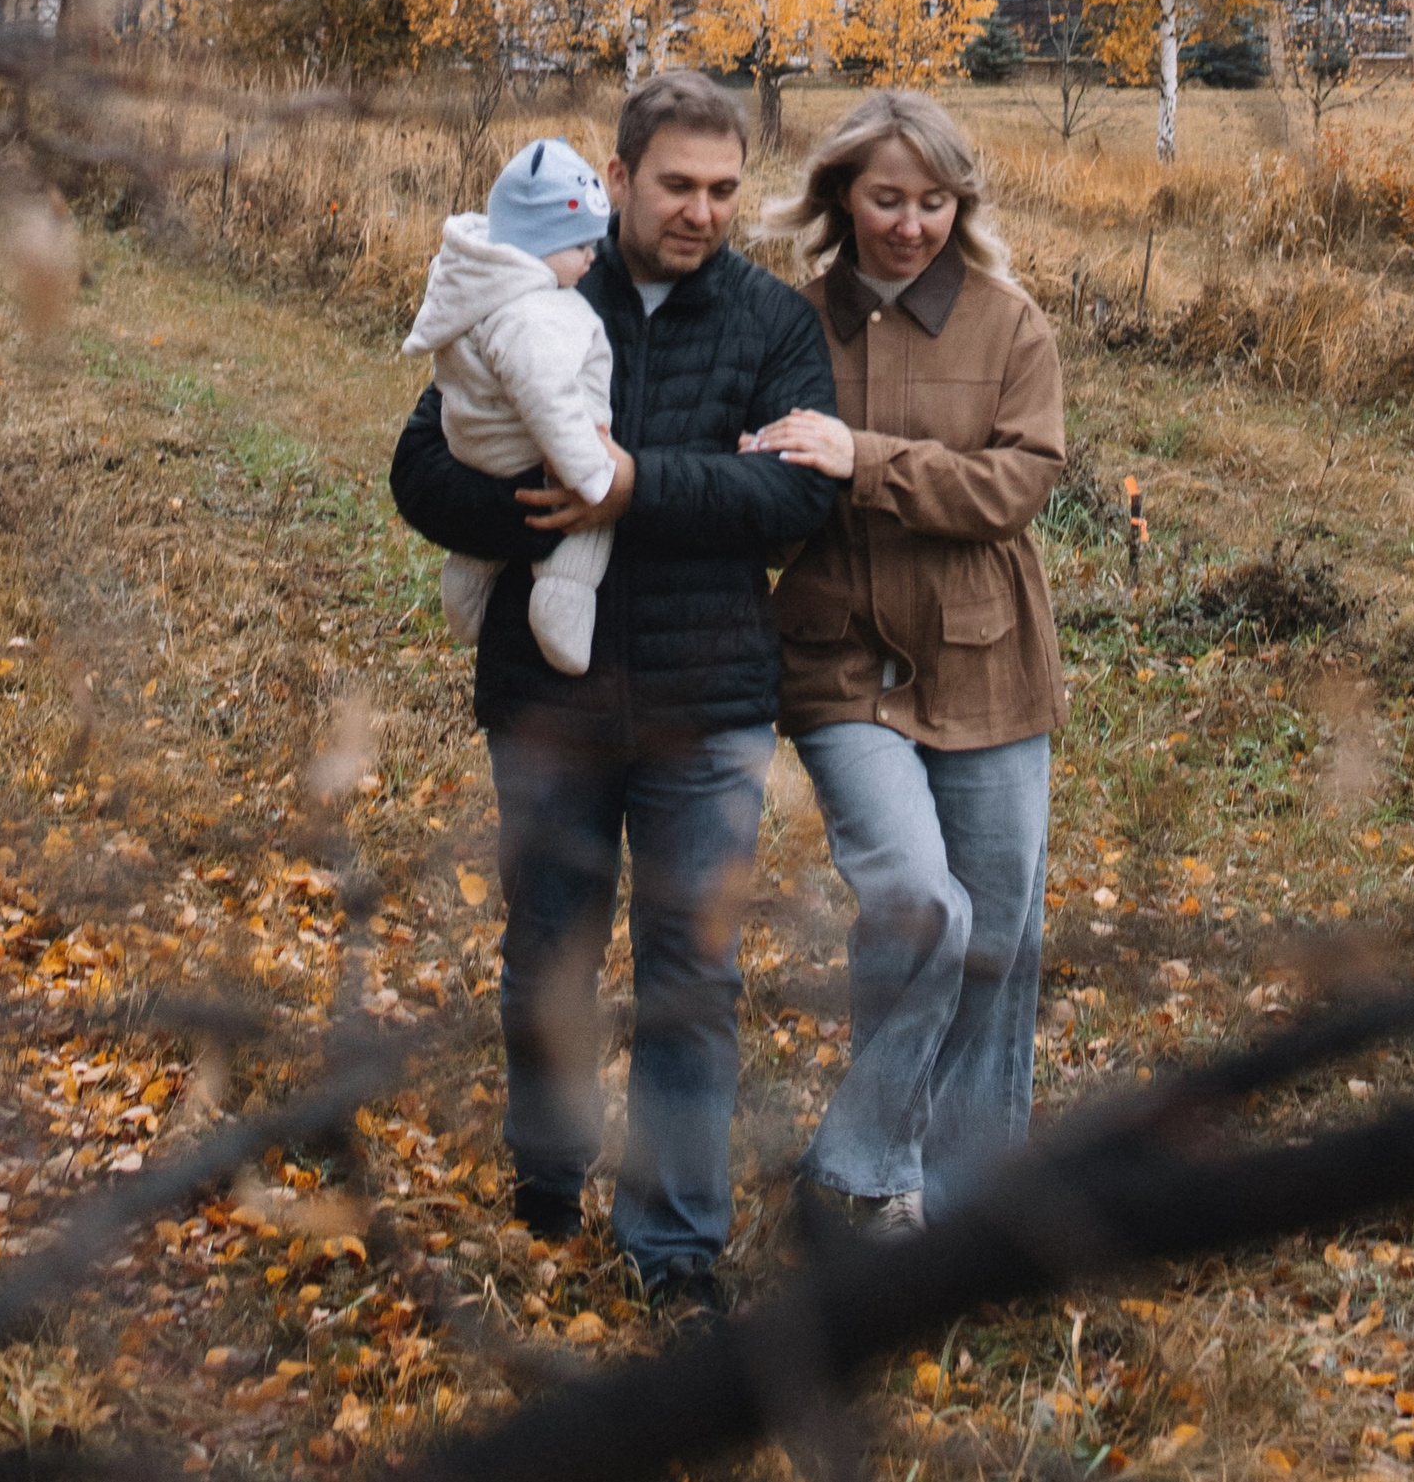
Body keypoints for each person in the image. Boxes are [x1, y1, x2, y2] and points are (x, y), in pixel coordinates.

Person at [390, 70, 836, 1310]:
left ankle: (676, 1243)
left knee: (692, 973)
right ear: (620, 175)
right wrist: (545, 512)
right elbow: (420, 466)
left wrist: (637, 487)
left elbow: (799, 491)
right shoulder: (530, 288)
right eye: (678, 185)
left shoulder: (769, 322)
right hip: (547, 695)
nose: (701, 210)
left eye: (723, 188)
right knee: (548, 945)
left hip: (709, 697)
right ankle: (546, 1174)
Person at [741, 90, 1065, 1236]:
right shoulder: (786, 324)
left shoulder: (1009, 323)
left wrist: (860, 458)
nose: (911, 224)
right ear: (841, 196)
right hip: (838, 660)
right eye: (887, 197)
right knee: (921, 905)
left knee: (998, 933)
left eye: (934, 200)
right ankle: (864, 1173)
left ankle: (967, 1209)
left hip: (986, 663)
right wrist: (759, 478)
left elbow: (1011, 487)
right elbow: (774, 511)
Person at [401, 136, 617, 676]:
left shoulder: (479, 284)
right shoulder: (531, 314)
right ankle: (560, 606)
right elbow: (549, 400)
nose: (594, 256)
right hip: (525, 456)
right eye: (580, 246)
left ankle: (468, 582)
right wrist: (593, 476)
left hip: (473, 450)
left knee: (484, 540)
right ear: (537, 246)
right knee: (587, 525)